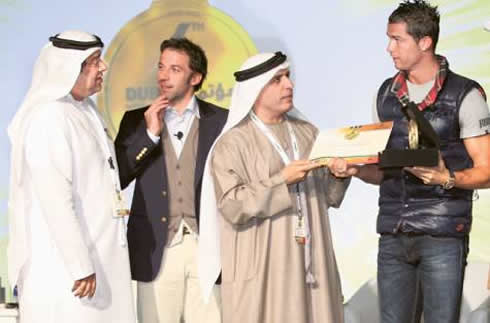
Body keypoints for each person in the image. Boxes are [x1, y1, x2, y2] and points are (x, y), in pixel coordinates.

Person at [330, 1, 490, 322]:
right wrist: (355, 170)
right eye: (389, 39)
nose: (389, 48)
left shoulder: (465, 94)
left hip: (443, 233)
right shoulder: (385, 95)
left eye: (397, 39)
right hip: (392, 232)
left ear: (425, 42)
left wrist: (447, 178)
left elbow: (486, 169)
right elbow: (384, 169)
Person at [198, 52, 350, 323]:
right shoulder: (232, 143)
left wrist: (339, 176)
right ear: (255, 90)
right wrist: (282, 180)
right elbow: (233, 205)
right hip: (265, 268)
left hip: (312, 260)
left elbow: (325, 198)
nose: (289, 85)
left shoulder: (309, 133)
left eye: (288, 77)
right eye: (277, 80)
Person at [7, 30, 135, 323]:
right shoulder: (48, 117)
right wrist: (79, 265)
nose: (103, 68)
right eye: (94, 61)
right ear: (69, 67)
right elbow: (55, 200)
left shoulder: (85, 110)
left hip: (101, 261)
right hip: (67, 273)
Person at [115, 38, 227, 323]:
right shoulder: (134, 121)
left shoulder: (223, 121)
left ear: (196, 77)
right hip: (156, 247)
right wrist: (150, 135)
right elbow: (119, 177)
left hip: (209, 247)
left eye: (175, 69)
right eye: (161, 67)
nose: (163, 76)